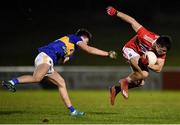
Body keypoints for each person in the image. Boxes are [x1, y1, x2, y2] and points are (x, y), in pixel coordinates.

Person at [1, 28, 117, 115]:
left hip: (49, 60)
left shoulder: (71, 46)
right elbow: (89, 50)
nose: (87, 42)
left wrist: (66, 56)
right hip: (46, 56)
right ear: (83, 37)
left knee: (61, 82)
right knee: (37, 78)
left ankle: (73, 111)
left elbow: (62, 60)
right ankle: (12, 82)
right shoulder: (75, 38)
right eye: (87, 39)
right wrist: (107, 54)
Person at [106, 6, 172, 105]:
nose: (162, 53)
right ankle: (124, 81)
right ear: (158, 44)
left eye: (164, 51)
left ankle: (116, 89)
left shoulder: (162, 52)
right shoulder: (146, 35)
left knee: (140, 82)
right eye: (162, 50)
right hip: (130, 49)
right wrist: (116, 12)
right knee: (145, 74)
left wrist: (148, 64)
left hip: (140, 56)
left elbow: (159, 68)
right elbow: (132, 21)